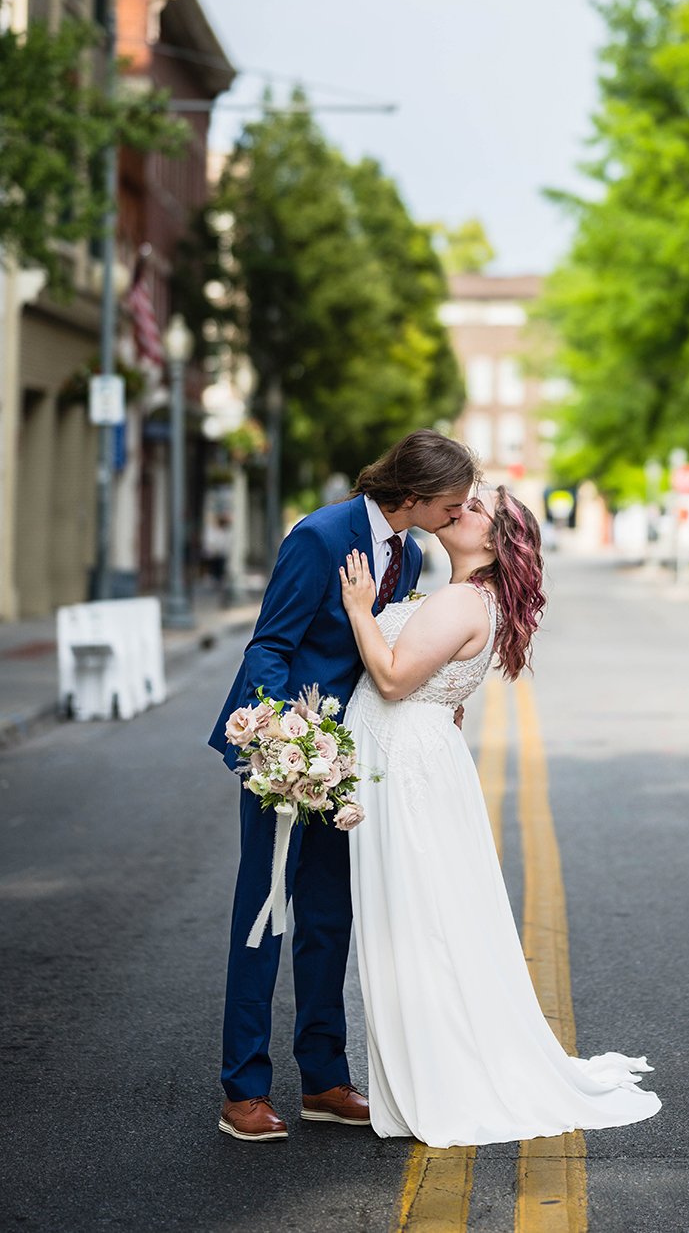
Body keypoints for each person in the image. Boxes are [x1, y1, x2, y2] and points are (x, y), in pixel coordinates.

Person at [339, 485, 661, 1147]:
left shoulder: (462, 599)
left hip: (407, 767)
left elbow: (396, 679)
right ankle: (428, 1062)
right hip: (417, 759)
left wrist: (358, 610)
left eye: (478, 508)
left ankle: (437, 1072)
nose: (462, 508)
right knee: (431, 916)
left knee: (416, 921)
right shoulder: (465, 597)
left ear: (494, 543)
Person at [208, 430, 478, 1142]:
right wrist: (277, 742)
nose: (462, 512)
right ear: (415, 496)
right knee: (264, 917)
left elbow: (380, 653)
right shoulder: (321, 535)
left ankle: (324, 1079)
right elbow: (270, 643)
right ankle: (244, 1089)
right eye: (454, 502)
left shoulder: (411, 553)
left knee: (330, 918)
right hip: (286, 752)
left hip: (349, 760)